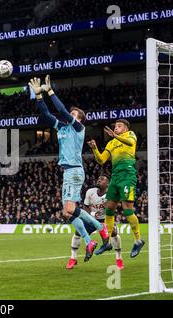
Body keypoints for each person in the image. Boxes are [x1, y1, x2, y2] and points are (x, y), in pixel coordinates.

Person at [28, 75, 108, 262]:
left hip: (74, 171)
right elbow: (47, 115)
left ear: (79, 119)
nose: (69, 115)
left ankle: (100, 228)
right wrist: (39, 95)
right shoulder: (62, 128)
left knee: (71, 208)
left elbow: (62, 111)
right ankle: (89, 241)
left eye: (74, 114)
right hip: (68, 171)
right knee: (67, 212)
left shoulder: (79, 128)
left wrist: (50, 91)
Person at [88, 119, 145, 257]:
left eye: (119, 126)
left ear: (125, 128)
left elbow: (131, 143)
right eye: (116, 126)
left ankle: (138, 241)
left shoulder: (130, 135)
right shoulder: (111, 143)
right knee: (109, 210)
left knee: (127, 211)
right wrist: (95, 148)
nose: (117, 127)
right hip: (115, 177)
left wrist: (115, 135)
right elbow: (101, 160)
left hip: (127, 175)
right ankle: (107, 242)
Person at [66, 175, 124, 270]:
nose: (99, 180)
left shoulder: (111, 193)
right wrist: (91, 215)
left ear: (107, 184)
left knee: (114, 233)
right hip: (91, 218)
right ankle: (73, 258)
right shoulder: (90, 192)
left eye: (102, 179)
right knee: (77, 233)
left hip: (105, 219)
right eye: (99, 178)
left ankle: (119, 258)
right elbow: (85, 206)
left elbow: (114, 207)